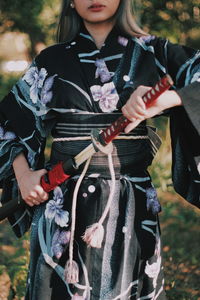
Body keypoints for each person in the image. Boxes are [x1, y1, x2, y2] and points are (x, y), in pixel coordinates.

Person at [0, 0, 199, 299]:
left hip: (131, 203)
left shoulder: (154, 53)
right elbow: (10, 120)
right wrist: (24, 175)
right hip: (62, 199)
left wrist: (168, 99)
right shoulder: (51, 60)